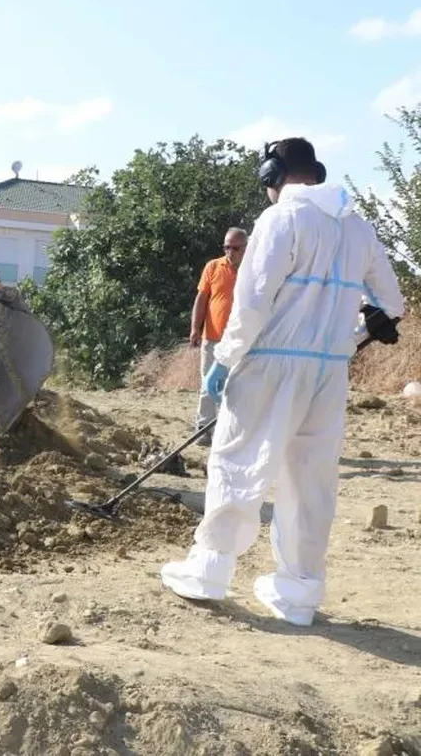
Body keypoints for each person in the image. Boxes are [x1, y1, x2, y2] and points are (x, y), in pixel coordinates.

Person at [160, 137, 405, 626]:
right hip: (328, 373)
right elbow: (392, 303)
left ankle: (209, 571)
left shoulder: (280, 219)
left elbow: (252, 302)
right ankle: (298, 595)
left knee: (238, 461)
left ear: (273, 175)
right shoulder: (357, 227)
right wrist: (356, 333)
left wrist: (226, 359)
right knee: (310, 481)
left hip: (270, 363)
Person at [189, 227, 249, 444]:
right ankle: (203, 429)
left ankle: (231, 431)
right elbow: (202, 298)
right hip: (213, 337)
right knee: (208, 384)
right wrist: (196, 327)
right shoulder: (213, 267)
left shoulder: (253, 270)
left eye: (235, 248)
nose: (230, 252)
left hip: (241, 340)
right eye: (226, 247)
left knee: (237, 387)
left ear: (245, 248)